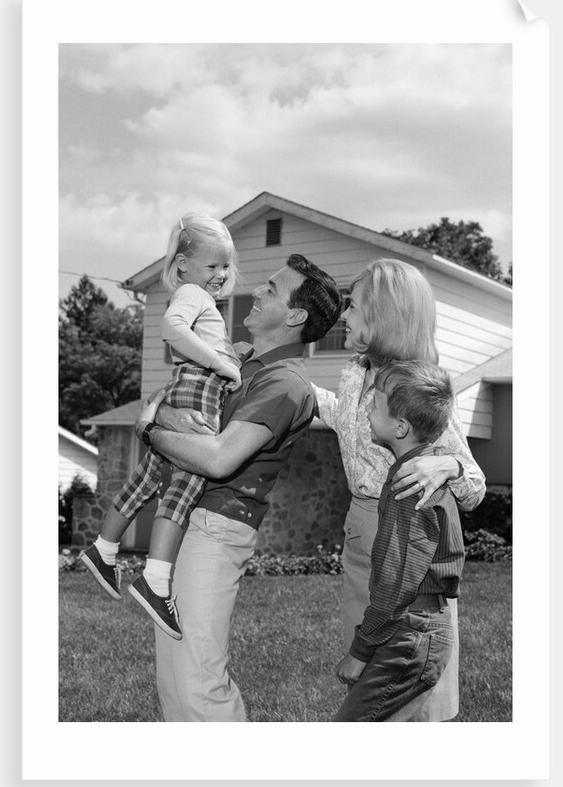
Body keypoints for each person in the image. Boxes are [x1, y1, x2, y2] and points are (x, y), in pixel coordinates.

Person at [133, 253, 342, 721]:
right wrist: (164, 414)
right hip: (187, 518)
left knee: (198, 681)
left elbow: (218, 457)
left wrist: (149, 431)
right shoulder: (236, 361)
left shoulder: (285, 383)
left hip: (216, 526)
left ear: (295, 316)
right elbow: (166, 402)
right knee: (174, 679)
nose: (258, 290)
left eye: (272, 288)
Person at [313, 258, 485, 722]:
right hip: (360, 532)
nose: (343, 315)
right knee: (371, 685)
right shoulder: (356, 371)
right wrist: (288, 386)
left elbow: (474, 486)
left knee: (414, 682)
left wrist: (447, 464)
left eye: (353, 306)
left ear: (384, 317)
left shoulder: (414, 386)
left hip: (406, 540)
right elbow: (345, 420)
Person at [79, 211, 243, 639]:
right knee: (186, 483)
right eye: (213, 265)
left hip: (185, 384)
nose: (221, 274)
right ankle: (155, 580)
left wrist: (228, 353)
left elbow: (189, 340)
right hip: (199, 388)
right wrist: (221, 363)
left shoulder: (196, 296)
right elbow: (172, 328)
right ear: (183, 264)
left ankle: (104, 549)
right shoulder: (192, 294)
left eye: (226, 265)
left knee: (150, 474)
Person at [334, 359, 465, 721]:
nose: (366, 412)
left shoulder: (410, 485)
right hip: (415, 627)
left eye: (374, 406)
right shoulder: (422, 471)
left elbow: (396, 582)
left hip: (411, 631)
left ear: (401, 426)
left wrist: (360, 651)